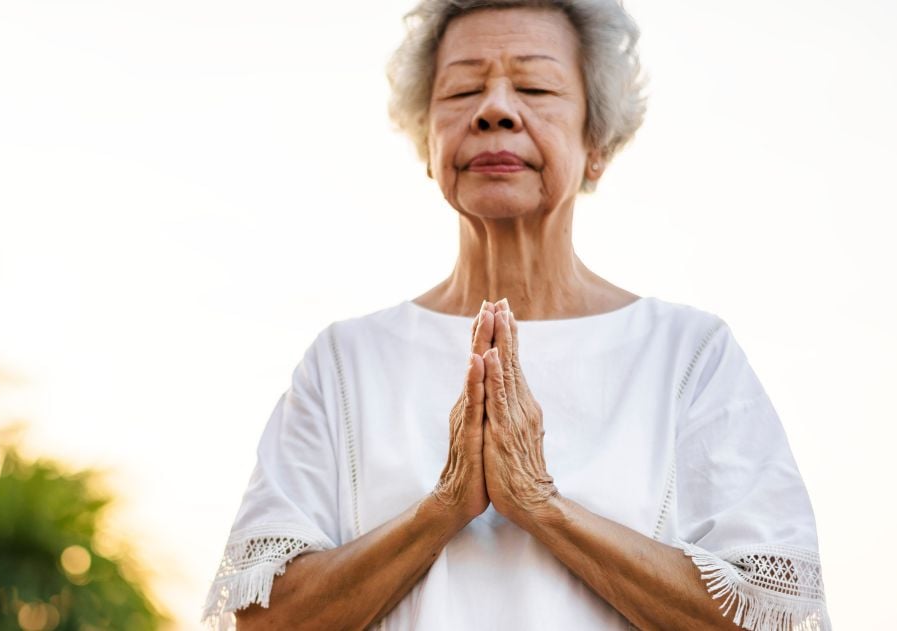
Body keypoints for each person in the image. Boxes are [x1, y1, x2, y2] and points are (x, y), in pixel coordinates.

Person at [202, 1, 830, 629]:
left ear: (598, 143)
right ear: (428, 142)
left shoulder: (689, 353)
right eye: (462, 89)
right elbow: (263, 620)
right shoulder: (344, 362)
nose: (494, 110)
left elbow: (771, 614)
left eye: (534, 86)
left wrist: (540, 502)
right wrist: (445, 507)